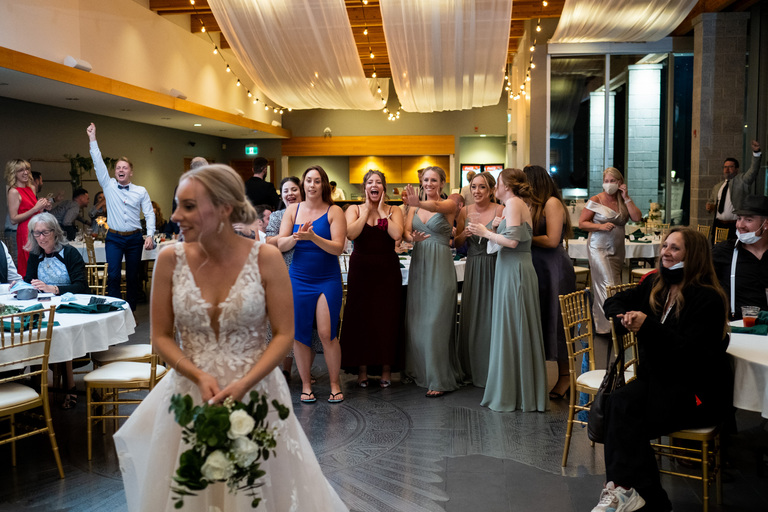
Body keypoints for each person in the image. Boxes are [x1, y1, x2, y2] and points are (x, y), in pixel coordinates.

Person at [112, 164, 348, 511]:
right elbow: (160, 337)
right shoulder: (168, 260)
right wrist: (197, 375)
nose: (176, 215)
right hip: (190, 393)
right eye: (178, 204)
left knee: (257, 490)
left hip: (256, 390)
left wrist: (244, 383)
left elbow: (284, 334)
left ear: (224, 208)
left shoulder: (266, 258)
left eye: (188, 206)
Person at [595, 227, 731, 512]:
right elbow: (613, 301)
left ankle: (633, 494)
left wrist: (648, 325)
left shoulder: (707, 298)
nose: (665, 252)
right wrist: (622, 317)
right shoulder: (656, 283)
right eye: (665, 246)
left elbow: (689, 354)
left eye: (674, 248)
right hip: (659, 382)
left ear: (692, 255)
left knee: (625, 418)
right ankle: (630, 492)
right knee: (618, 404)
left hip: (695, 391)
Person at [467, 168, 548, 412]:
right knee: (514, 327)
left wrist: (486, 232)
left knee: (514, 327)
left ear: (507, 186)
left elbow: (513, 242)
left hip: (515, 273)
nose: (495, 188)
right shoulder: (516, 205)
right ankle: (521, 390)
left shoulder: (513, 204)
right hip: (511, 269)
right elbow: (506, 243)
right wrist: (495, 229)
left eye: (497, 183)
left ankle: (515, 394)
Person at [277, 165, 347, 404]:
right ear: (303, 184)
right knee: (300, 334)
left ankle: (335, 384)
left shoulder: (334, 211)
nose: (312, 185)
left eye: (317, 181)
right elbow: (281, 244)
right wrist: (296, 238)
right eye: (308, 180)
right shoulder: (292, 210)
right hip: (298, 279)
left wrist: (313, 237)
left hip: (327, 279)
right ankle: (306, 385)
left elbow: (339, 248)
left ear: (324, 184)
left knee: (327, 334)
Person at [401, 166, 461, 398]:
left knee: (436, 321)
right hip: (420, 262)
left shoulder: (449, 204)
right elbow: (406, 232)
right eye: (425, 179)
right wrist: (411, 237)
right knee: (417, 320)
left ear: (442, 183)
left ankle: (438, 377)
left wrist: (416, 202)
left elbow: (436, 206)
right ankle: (420, 371)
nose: (429, 183)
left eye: (434, 180)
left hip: (440, 264)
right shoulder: (413, 207)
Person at [341, 170, 404, 388]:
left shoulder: (394, 210)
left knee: (387, 317)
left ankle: (387, 367)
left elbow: (397, 235)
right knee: (361, 318)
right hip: (361, 269)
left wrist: (382, 212)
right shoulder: (354, 209)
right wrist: (368, 209)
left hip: (387, 269)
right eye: (370, 182)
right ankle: (362, 369)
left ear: (384, 188)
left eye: (378, 182)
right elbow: (351, 234)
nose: (374, 185)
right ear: (364, 187)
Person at [87, 123, 156, 311]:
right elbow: (98, 163)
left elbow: (149, 213)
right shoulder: (108, 185)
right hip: (114, 238)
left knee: (133, 276)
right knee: (114, 275)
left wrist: (149, 235)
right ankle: (115, 311)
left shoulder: (140, 191)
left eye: (124, 167)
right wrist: (93, 139)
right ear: (115, 171)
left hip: (134, 238)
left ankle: (130, 311)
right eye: (118, 167)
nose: (120, 170)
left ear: (130, 172)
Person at [24, 212, 89, 409]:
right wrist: (23, 286)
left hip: (70, 306)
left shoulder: (69, 253)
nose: (41, 238)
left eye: (45, 233)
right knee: (35, 332)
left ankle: (69, 387)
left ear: (55, 232)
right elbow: (29, 279)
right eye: (36, 234)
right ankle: (37, 388)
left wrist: (54, 289)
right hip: (44, 306)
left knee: (62, 333)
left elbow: (81, 286)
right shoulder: (36, 255)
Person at [524, 164, 577, 399]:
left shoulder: (552, 203)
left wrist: (525, 238)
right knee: (542, 318)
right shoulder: (531, 205)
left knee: (557, 319)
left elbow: (553, 239)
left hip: (554, 267)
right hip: (537, 266)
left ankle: (566, 376)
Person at [453, 171, 503, 386]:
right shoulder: (465, 210)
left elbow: (506, 240)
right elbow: (456, 244)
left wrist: (492, 231)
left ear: (491, 190)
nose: (477, 191)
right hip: (474, 265)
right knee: (472, 315)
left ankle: (492, 369)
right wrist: (464, 235)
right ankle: (471, 368)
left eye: (482, 187)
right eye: (474, 187)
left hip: (494, 266)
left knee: (492, 315)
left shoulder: (500, 209)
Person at [578, 167, 642, 334]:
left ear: (619, 183)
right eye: (606, 181)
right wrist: (600, 226)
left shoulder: (622, 200)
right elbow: (582, 223)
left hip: (618, 248)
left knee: (616, 284)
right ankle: (608, 326)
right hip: (598, 247)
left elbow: (637, 217)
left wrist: (626, 197)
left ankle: (612, 323)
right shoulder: (596, 199)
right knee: (608, 284)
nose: (609, 184)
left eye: (612, 181)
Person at [712, 194, 768, 318]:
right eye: (739, 218)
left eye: (748, 220)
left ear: (766, 224)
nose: (740, 225)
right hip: (736, 331)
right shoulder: (723, 252)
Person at [706, 140, 762, 242]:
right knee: (717, 252)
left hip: (735, 225)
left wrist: (756, 153)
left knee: (733, 252)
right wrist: (710, 206)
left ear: (736, 169)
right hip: (718, 224)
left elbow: (753, 170)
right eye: (725, 167)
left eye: (730, 167)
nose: (727, 169)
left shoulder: (742, 181)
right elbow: (711, 203)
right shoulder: (718, 186)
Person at [6, 159, 50, 276]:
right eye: (21, 170)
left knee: (41, 261)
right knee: (29, 263)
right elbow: (13, 219)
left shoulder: (31, 188)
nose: (25, 172)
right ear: (13, 173)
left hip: (38, 228)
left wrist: (44, 206)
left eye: (27, 169)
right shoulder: (13, 191)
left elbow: (35, 210)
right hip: (25, 231)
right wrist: (36, 208)